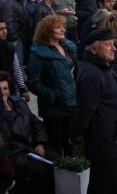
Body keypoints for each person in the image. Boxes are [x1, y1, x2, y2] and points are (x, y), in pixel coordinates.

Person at [70, 29, 117, 194]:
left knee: (102, 183)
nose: (113, 49)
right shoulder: (92, 74)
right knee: (108, 185)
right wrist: (76, 134)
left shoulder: (100, 67)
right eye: (108, 45)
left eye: (113, 44)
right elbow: (85, 109)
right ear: (94, 49)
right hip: (106, 141)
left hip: (110, 139)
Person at [0, 71, 57, 194]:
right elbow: (9, 136)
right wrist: (7, 111)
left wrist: (40, 143)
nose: (2, 93)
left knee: (58, 161)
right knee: (40, 170)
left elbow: (37, 124)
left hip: (32, 146)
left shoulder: (19, 103)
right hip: (16, 153)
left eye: (5, 88)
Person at [27, 15, 77, 157]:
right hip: (54, 107)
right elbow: (33, 82)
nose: (63, 30)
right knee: (56, 146)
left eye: (63, 27)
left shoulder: (67, 46)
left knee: (71, 144)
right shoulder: (38, 53)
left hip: (71, 102)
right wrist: (53, 95)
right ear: (47, 31)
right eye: (58, 27)